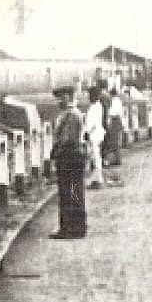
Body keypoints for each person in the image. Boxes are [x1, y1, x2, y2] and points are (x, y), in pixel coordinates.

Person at [49, 87, 87, 239]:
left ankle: (69, 228)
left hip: (69, 156)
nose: (59, 101)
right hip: (73, 155)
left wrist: (55, 152)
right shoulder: (71, 114)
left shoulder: (71, 115)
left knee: (68, 192)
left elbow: (66, 139)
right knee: (75, 192)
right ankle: (77, 227)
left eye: (62, 98)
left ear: (69, 97)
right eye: (58, 98)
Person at [84, 87, 106, 189]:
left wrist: (87, 132)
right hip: (96, 134)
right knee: (95, 157)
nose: (89, 97)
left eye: (90, 95)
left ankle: (98, 180)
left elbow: (92, 123)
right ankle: (96, 179)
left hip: (94, 134)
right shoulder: (98, 106)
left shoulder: (94, 107)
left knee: (95, 157)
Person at [103, 89, 125, 166]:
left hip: (115, 121)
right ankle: (118, 159)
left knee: (113, 141)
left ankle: (115, 160)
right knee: (116, 142)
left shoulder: (114, 102)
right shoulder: (118, 101)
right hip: (118, 121)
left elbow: (112, 113)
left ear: (111, 94)